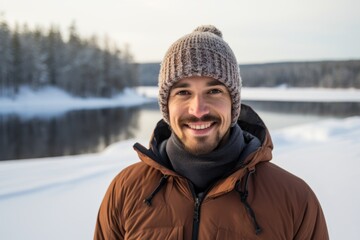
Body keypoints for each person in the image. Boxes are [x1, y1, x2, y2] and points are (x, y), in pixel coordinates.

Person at [94, 25, 329, 240]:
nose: (198, 110)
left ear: (233, 103)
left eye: (214, 91)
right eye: (183, 92)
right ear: (166, 105)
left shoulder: (293, 199)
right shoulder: (126, 190)